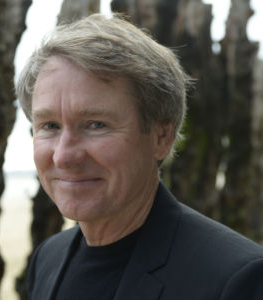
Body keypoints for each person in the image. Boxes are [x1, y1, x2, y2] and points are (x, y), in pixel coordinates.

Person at [15, 13, 263, 300]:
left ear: (162, 138)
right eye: (50, 126)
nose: (64, 156)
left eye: (96, 124)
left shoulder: (239, 280)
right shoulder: (48, 258)